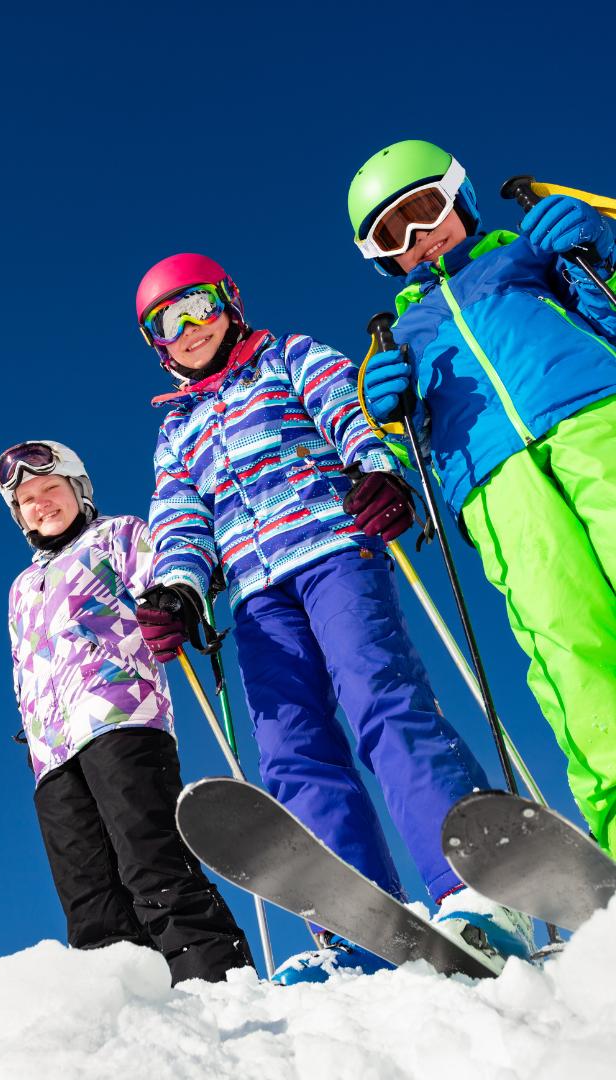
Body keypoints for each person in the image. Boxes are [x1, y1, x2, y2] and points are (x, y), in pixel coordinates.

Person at [132, 254, 533, 982]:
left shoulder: (289, 355)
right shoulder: (177, 432)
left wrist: (377, 469)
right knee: (290, 750)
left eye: (199, 306)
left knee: (379, 696)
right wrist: (178, 590)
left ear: (230, 303)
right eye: (169, 322)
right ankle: (356, 925)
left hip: (333, 547)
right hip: (255, 594)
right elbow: (181, 520)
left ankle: (474, 887)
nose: (189, 328)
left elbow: (348, 411)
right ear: (157, 345)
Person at [348, 139, 616, 854]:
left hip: (596, 418)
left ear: (460, 197)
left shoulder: (530, 255)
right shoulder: (401, 337)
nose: (417, 236)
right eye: (391, 235)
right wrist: (391, 414)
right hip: (495, 483)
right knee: (565, 637)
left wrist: (599, 248)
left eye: (424, 209)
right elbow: (412, 448)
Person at [0, 438, 254, 985]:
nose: (41, 504)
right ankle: (126, 1004)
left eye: (50, 488)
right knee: (87, 897)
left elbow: (167, 579)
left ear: (78, 488)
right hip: (51, 753)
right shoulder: (21, 588)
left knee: (151, 862)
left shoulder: (118, 535)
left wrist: (174, 603)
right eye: (27, 500)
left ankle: (214, 982)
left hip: (121, 718)